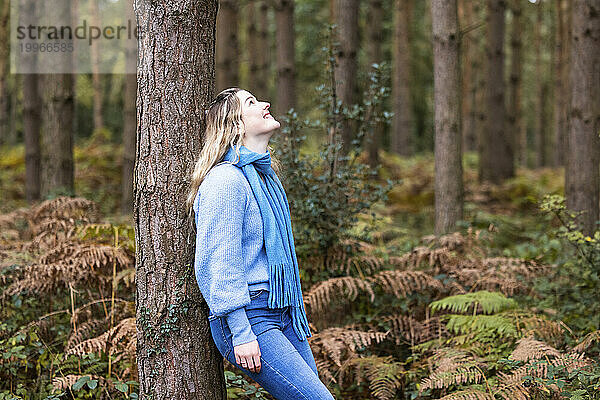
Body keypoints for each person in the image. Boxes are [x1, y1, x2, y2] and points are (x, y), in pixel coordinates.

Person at [185, 87, 335, 400]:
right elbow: (218, 262)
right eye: (252, 102)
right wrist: (241, 332)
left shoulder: (265, 178)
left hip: (282, 309)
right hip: (249, 317)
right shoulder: (225, 181)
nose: (266, 103)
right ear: (235, 125)